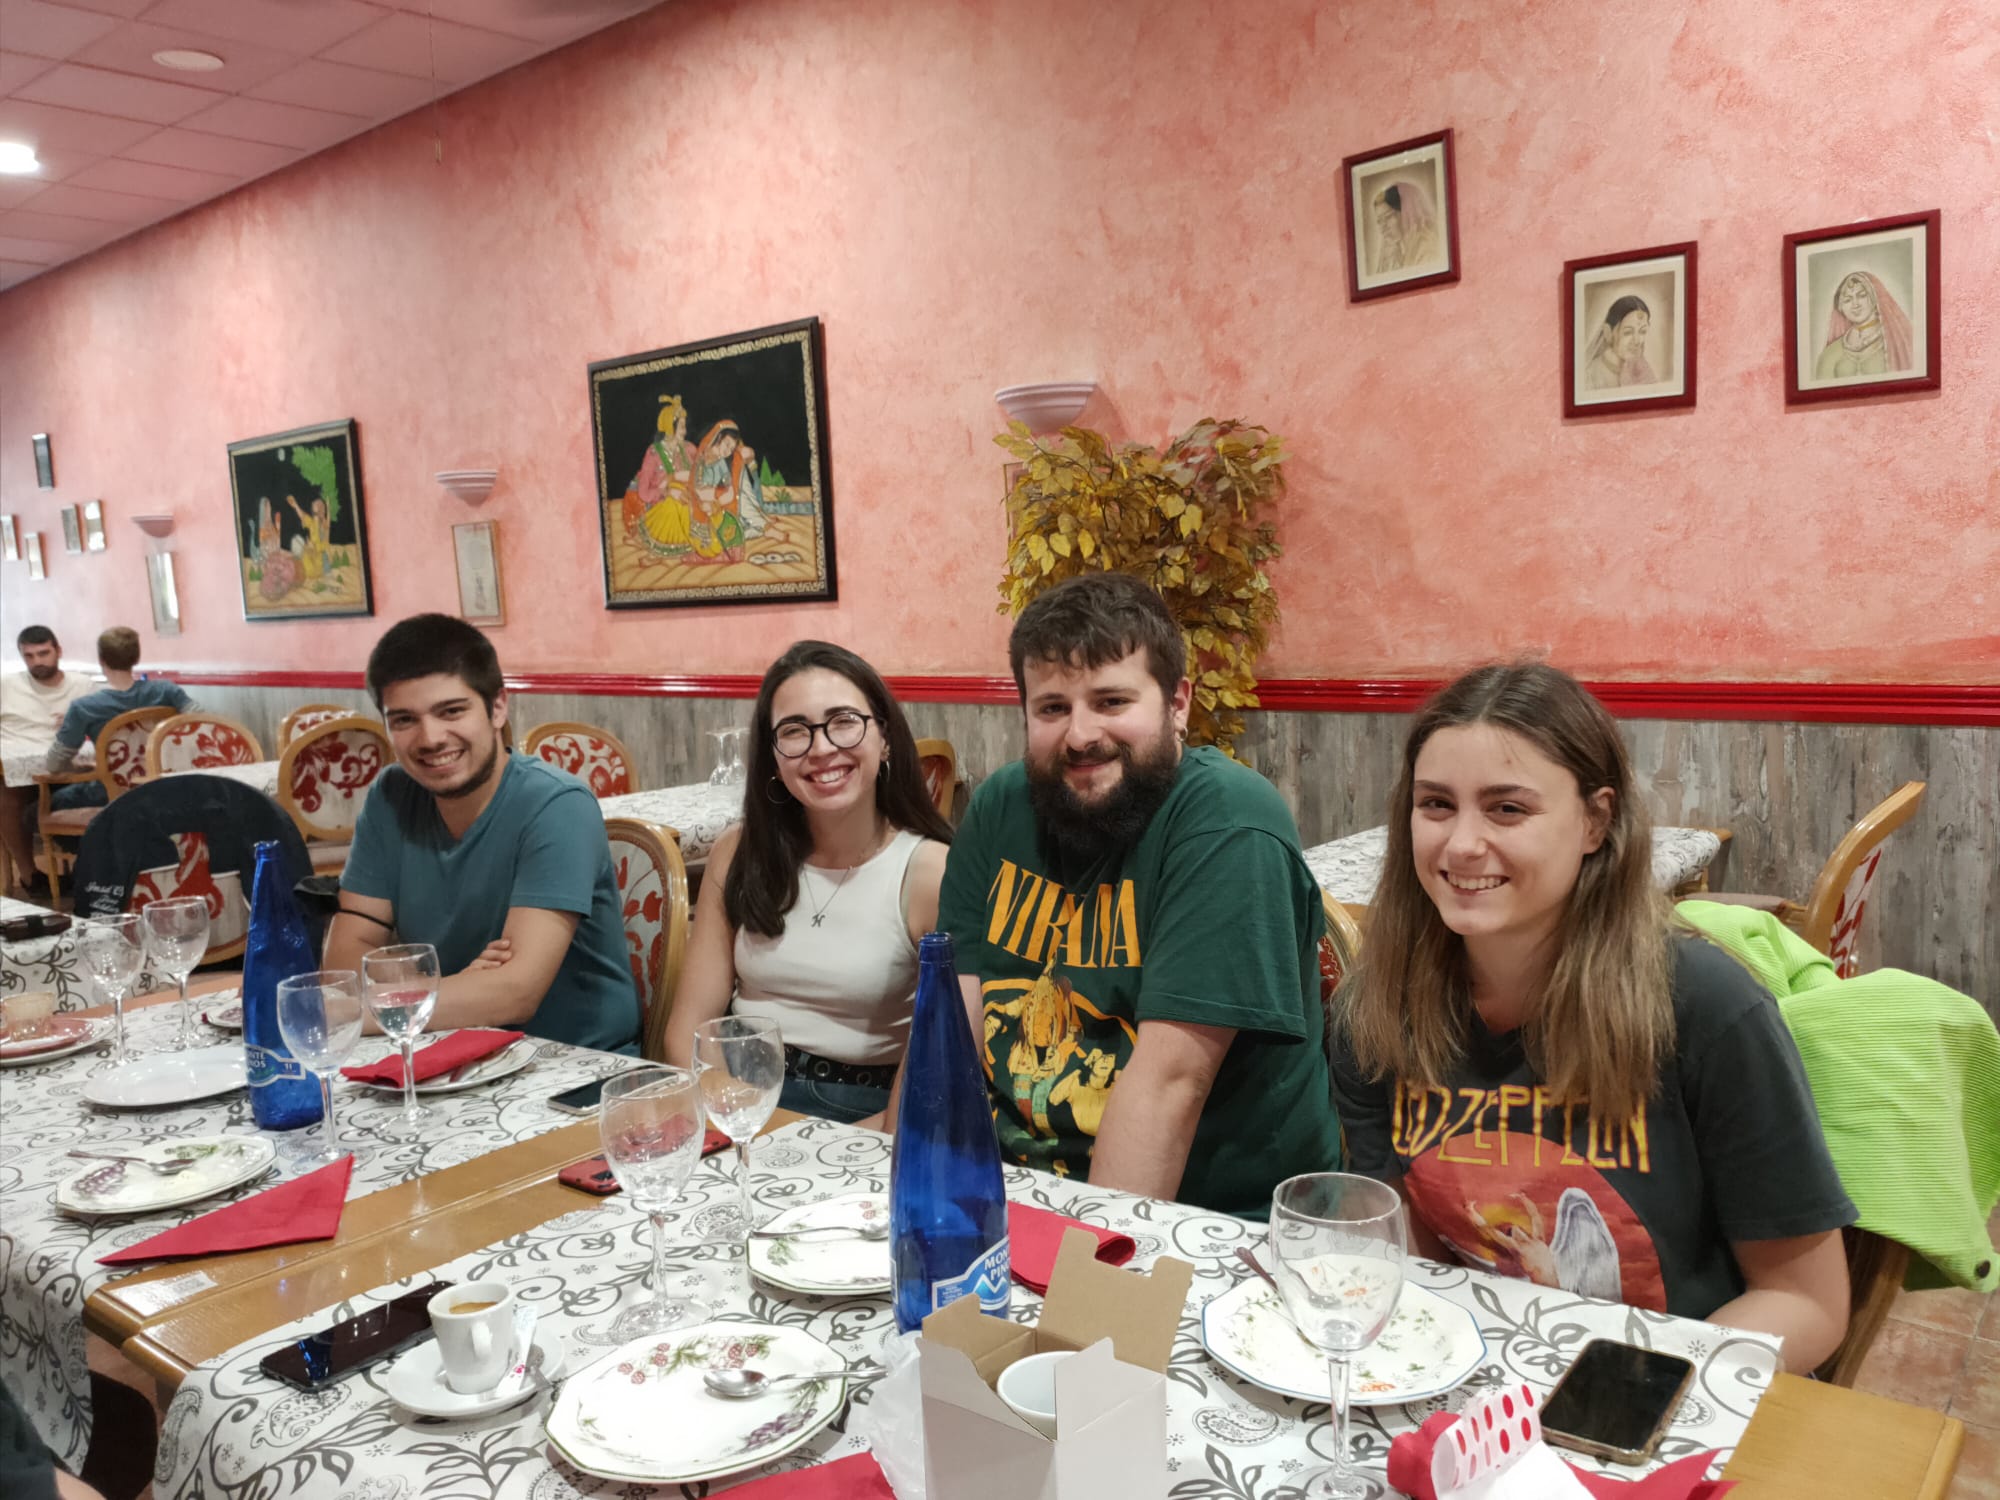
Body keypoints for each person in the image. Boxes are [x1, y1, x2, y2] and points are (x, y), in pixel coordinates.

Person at [1329, 663, 1855, 1371]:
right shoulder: (1372, 1014)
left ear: (1595, 821)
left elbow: (1807, 1303)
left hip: (1671, 1384)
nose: (1461, 844)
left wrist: (1614, 1398)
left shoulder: (1708, 1008)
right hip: (1483, 1380)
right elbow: (1413, 1256)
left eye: (1507, 808)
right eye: (1436, 805)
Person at [938, 572, 1340, 1217]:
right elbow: (946, 1034)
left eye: (1111, 701)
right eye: (1052, 708)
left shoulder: (1228, 822)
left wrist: (1081, 1269)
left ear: (1177, 704)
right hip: (1010, 1189)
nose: (1080, 734)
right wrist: (907, 1204)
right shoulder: (999, 807)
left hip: (1206, 1220)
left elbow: (1167, 1089)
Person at [665, 642, 951, 1125]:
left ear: (884, 737)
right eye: (794, 731)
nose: (821, 749)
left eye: (844, 721)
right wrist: (733, 1120)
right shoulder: (739, 853)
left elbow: (938, 1068)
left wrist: (814, 1143)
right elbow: (688, 1028)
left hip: (863, 1110)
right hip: (736, 1092)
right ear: (773, 757)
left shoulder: (929, 872)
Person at [323, 614, 639, 1051]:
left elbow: (514, 994)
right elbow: (346, 961)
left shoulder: (556, 805)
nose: (430, 738)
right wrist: (454, 988)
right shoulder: (390, 796)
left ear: (497, 707)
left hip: (571, 1064)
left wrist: (357, 1006)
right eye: (404, 720)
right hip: (444, 1049)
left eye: (451, 711)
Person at [45, 627, 195, 806]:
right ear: (136, 658)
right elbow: (201, 721)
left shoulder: (83, 707)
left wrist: (83, 768)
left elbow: (54, 764)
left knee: (42, 806)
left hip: (111, 794)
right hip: (164, 787)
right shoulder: (167, 691)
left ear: (101, 660)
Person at [0, 627, 95, 890]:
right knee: (8, 794)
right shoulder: (6, 685)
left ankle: (89, 869)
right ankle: (29, 875)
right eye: (29, 656)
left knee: (93, 789)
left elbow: (101, 727)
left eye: (43, 653)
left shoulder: (82, 685)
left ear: (58, 651)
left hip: (72, 768)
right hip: (17, 767)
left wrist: (79, 723)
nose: (37, 661)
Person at [1814, 270, 1913, 380]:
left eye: (1861, 296)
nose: (1855, 304)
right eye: (1847, 300)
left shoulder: (1898, 343)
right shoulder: (1830, 353)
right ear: (1841, 308)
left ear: (1875, 298)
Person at [1585, 294, 1657, 389]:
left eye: (1642, 331)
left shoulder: (1642, 369)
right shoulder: (1591, 375)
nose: (1637, 341)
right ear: (1608, 333)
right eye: (1628, 332)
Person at [1370, 178, 1441, 274]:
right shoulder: (1391, 252)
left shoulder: (1427, 248)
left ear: (1406, 212)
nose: (1383, 227)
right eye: (1380, 221)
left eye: (1388, 217)